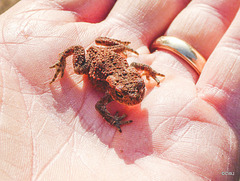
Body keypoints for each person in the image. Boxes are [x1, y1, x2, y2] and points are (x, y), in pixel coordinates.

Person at [0, 0, 239, 180]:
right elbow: (98, 105)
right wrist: (113, 120)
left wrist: (149, 72)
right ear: (115, 91)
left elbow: (136, 66)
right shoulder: (108, 93)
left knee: (125, 59)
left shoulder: (133, 74)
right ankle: (63, 61)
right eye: (126, 94)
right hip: (96, 64)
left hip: (116, 60)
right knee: (80, 63)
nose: (135, 97)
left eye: (136, 89)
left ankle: (117, 50)